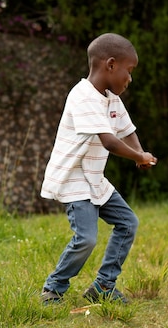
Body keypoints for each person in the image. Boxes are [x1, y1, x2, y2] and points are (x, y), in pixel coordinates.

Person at [39, 32, 157, 305]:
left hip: (94, 179)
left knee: (128, 223)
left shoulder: (111, 98)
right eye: (129, 71)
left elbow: (127, 130)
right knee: (87, 239)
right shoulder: (82, 96)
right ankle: (53, 288)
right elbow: (111, 142)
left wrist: (140, 154)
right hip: (74, 179)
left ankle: (103, 285)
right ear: (111, 64)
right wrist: (138, 156)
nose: (130, 79)